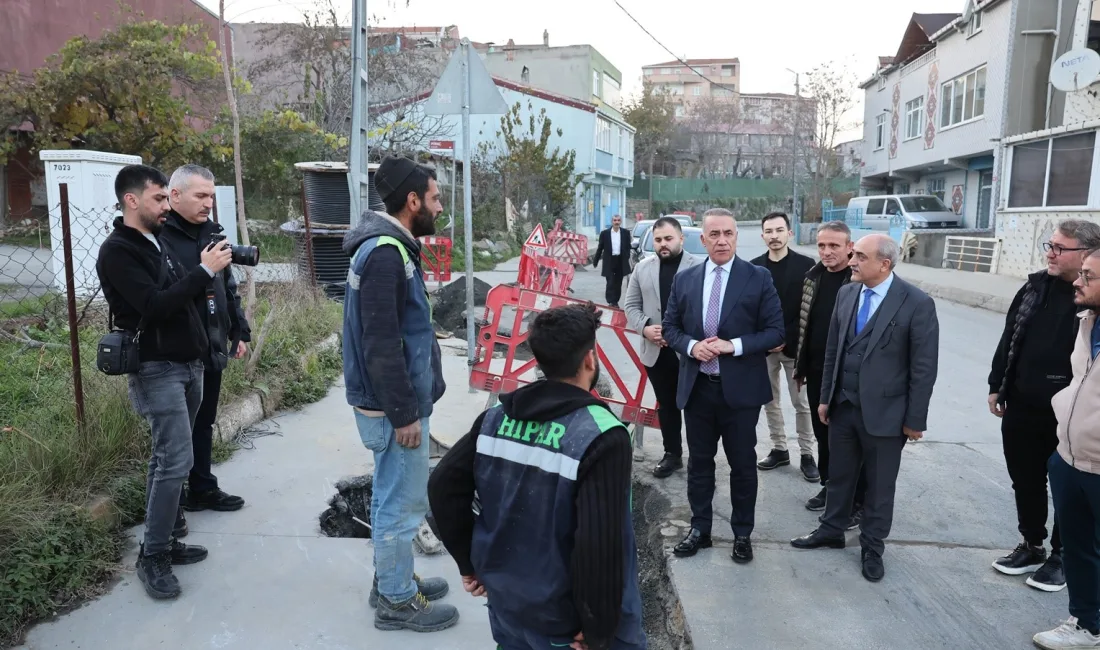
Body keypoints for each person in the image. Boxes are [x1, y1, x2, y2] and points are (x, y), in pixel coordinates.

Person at [428, 302, 644, 650]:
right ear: (589, 359)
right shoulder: (603, 435)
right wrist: (597, 627)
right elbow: (599, 542)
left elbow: (442, 486)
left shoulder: (495, 418)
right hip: (567, 623)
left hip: (509, 605)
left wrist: (470, 561)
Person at [97, 164, 232, 599]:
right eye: (158, 199)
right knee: (174, 459)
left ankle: (169, 539)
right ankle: (152, 556)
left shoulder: (157, 242)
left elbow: (188, 298)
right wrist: (204, 271)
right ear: (132, 200)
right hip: (156, 368)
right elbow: (154, 305)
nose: (165, 206)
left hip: (188, 364)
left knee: (168, 457)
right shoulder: (118, 251)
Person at [342, 156, 456, 632]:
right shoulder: (386, 253)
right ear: (412, 201)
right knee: (400, 502)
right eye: (434, 199)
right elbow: (380, 343)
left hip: (394, 404)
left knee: (393, 494)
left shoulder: (387, 247)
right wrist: (405, 413)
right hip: (394, 411)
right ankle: (396, 599)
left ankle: (392, 578)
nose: (439, 208)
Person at [791, 234, 939, 583]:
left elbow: (923, 367)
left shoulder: (916, 303)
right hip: (843, 407)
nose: (851, 260)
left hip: (888, 416)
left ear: (884, 264)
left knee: (878, 484)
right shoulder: (847, 293)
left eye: (859, 256)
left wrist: (915, 419)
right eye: (853, 254)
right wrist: (826, 397)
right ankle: (831, 529)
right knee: (840, 475)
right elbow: (833, 351)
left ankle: (872, 545)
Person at [662, 208, 785, 563]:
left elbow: (776, 331)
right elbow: (670, 327)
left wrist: (734, 346)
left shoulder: (757, 278)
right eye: (714, 234)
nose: (721, 240)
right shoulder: (686, 280)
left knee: (743, 465)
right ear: (703, 239)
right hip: (698, 387)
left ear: (737, 236)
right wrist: (690, 346)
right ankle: (700, 528)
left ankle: (742, 533)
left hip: (740, 393)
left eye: (727, 233)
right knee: (699, 463)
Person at [988, 219, 1100, 592]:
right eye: (1049, 246)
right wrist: (997, 385)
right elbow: (1010, 337)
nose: (1050, 253)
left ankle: (1062, 556)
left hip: (1069, 415)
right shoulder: (1035, 287)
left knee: (1066, 486)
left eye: (1058, 248)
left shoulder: (1092, 298)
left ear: (1086, 253)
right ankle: (1031, 544)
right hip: (1022, 403)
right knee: (1026, 479)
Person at [160, 165, 249, 525]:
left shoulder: (212, 233)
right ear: (174, 195)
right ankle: (171, 502)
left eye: (211, 196)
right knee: (175, 432)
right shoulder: (161, 238)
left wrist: (238, 330)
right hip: (177, 348)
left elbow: (228, 287)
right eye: (200, 195)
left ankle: (202, 487)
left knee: (204, 421)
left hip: (212, 342)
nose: (208, 203)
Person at [1034, 248, 1100, 649]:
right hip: (1069, 459)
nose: (1078, 280)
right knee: (1078, 551)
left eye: (1089, 276)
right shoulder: (1088, 322)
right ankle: (1087, 624)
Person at [793, 221, 867, 527]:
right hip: (818, 371)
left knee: (850, 439)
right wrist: (800, 365)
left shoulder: (861, 281)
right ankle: (829, 487)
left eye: (834, 246)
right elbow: (805, 325)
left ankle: (857, 500)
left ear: (850, 247)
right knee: (823, 434)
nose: (826, 252)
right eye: (822, 245)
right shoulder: (813, 277)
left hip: (849, 376)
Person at [623, 216, 700, 478]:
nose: (663, 244)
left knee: (695, 406)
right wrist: (645, 327)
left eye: (668, 238)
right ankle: (672, 454)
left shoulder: (699, 267)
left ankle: (700, 458)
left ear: (681, 238)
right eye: (658, 240)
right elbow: (630, 305)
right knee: (666, 405)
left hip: (689, 353)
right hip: (655, 351)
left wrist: (681, 336)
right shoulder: (642, 268)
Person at [751, 212, 817, 480]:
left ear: (789, 233)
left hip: (795, 349)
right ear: (762, 235)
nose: (774, 236)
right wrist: (768, 339)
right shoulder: (754, 267)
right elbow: (751, 310)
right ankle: (779, 449)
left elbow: (808, 310)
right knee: (769, 400)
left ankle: (807, 454)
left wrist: (786, 339)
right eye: (769, 231)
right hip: (764, 348)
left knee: (802, 403)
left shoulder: (807, 265)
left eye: (779, 230)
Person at [593, 214, 632, 307]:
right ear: (612, 222)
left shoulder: (625, 233)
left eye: (618, 220)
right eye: (615, 220)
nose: (616, 222)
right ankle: (611, 301)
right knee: (610, 281)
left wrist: (626, 256)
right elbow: (600, 248)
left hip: (620, 260)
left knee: (618, 282)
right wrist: (596, 260)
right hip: (609, 261)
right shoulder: (605, 233)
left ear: (620, 222)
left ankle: (615, 301)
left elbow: (628, 247)